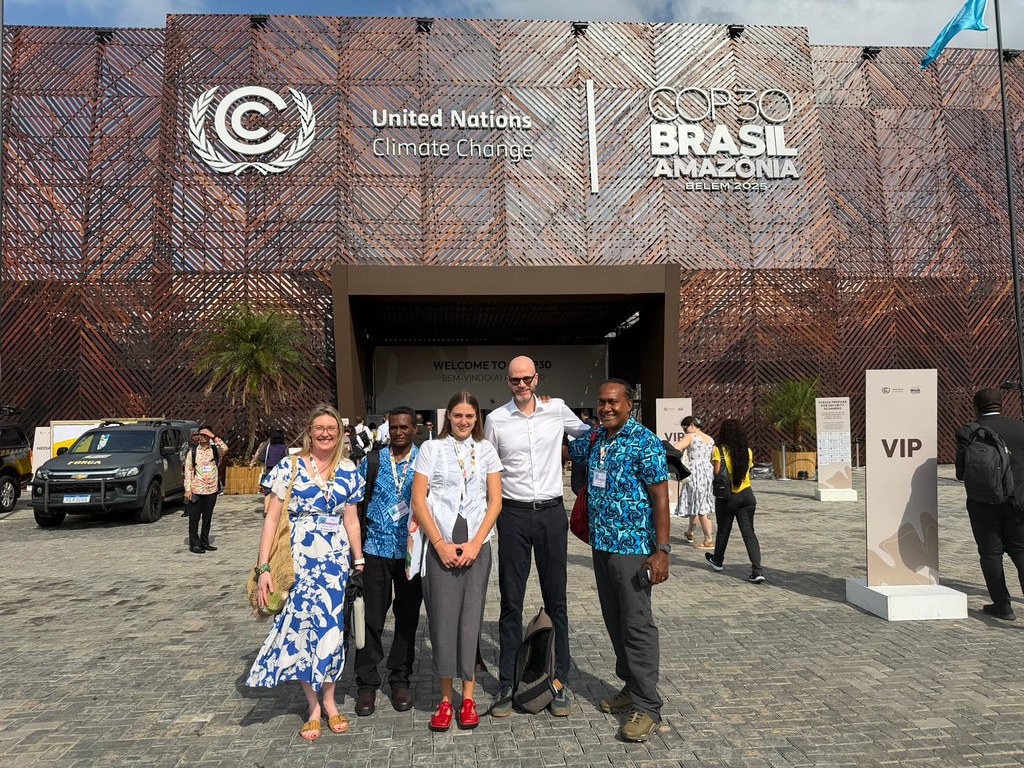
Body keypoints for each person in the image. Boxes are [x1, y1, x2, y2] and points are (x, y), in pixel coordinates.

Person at [247, 404, 366, 741]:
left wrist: (358, 561)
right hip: (297, 562)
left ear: (340, 434)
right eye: (319, 428)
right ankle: (312, 707)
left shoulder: (349, 469)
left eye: (332, 428)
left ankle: (330, 701)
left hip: (334, 565)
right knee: (300, 631)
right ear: (309, 432)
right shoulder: (289, 466)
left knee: (331, 632)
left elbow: (351, 520)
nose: (325, 433)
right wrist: (264, 568)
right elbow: (271, 519)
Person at [484, 355, 590, 718]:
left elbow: (590, 436)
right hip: (512, 515)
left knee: (556, 599)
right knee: (510, 601)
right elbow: (488, 470)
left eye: (526, 378)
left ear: (537, 378)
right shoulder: (496, 420)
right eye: (515, 380)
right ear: (508, 382)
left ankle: (559, 680)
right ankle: (507, 683)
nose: (521, 385)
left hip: (551, 514)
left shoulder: (556, 409)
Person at [566, 379, 670, 743]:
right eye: (601, 402)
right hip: (602, 545)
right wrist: (546, 405)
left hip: (634, 549)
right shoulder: (597, 438)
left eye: (613, 402)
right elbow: (566, 446)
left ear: (629, 405)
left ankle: (648, 706)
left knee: (637, 623)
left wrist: (662, 550)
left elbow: (660, 498)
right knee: (614, 619)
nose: (606, 408)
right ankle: (630, 685)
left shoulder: (644, 441)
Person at [411, 391, 503, 732]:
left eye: (469, 416)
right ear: (447, 416)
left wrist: (477, 543)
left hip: (477, 543)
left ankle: (468, 697)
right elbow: (419, 500)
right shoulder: (430, 449)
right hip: (441, 542)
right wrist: (439, 544)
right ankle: (445, 699)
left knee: (470, 620)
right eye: (457, 415)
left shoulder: (487, 450)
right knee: (442, 621)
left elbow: (495, 501)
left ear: (477, 418)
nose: (463, 421)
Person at [354, 406, 423, 715]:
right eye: (394, 427)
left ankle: (400, 679)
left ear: (414, 429)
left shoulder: (425, 460)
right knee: (371, 618)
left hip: (411, 551)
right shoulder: (372, 461)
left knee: (407, 617)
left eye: (404, 427)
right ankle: (367, 684)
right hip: (375, 549)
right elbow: (354, 503)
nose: (398, 432)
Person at [956, 388, 1024, 620]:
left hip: (983, 503)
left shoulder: (968, 432)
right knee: (1020, 551)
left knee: (990, 554)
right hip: (1018, 501)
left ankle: (1002, 606)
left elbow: (960, 472)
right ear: (1001, 404)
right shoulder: (1020, 429)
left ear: (975, 406)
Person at [705, 418, 765, 584]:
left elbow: (717, 473)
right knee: (749, 532)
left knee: (724, 530)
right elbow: (748, 470)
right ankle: (757, 570)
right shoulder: (747, 451)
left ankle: (718, 560)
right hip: (747, 495)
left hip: (727, 496)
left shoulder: (719, 450)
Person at [183, 426, 228, 554]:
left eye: (205, 435)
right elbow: (188, 471)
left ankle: (204, 541)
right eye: (201, 435)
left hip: (211, 489)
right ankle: (194, 543)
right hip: (197, 489)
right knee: (194, 518)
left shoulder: (214, 450)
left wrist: (213, 436)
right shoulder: (193, 451)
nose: (202, 437)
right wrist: (187, 489)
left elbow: (225, 448)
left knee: (207, 518)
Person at [674, 416, 715, 548]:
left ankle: (708, 539)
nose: (685, 431)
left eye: (685, 428)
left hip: (695, 472)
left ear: (692, 425)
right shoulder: (710, 439)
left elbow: (676, 448)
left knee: (701, 506)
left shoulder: (691, 437)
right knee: (697, 502)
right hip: (708, 472)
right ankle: (690, 532)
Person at [251, 430, 290, 515]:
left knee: (268, 490)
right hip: (281, 470)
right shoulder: (285, 447)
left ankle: (266, 510)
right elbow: (288, 459)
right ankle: (280, 510)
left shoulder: (269, 447)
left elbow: (262, 458)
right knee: (281, 490)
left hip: (269, 470)